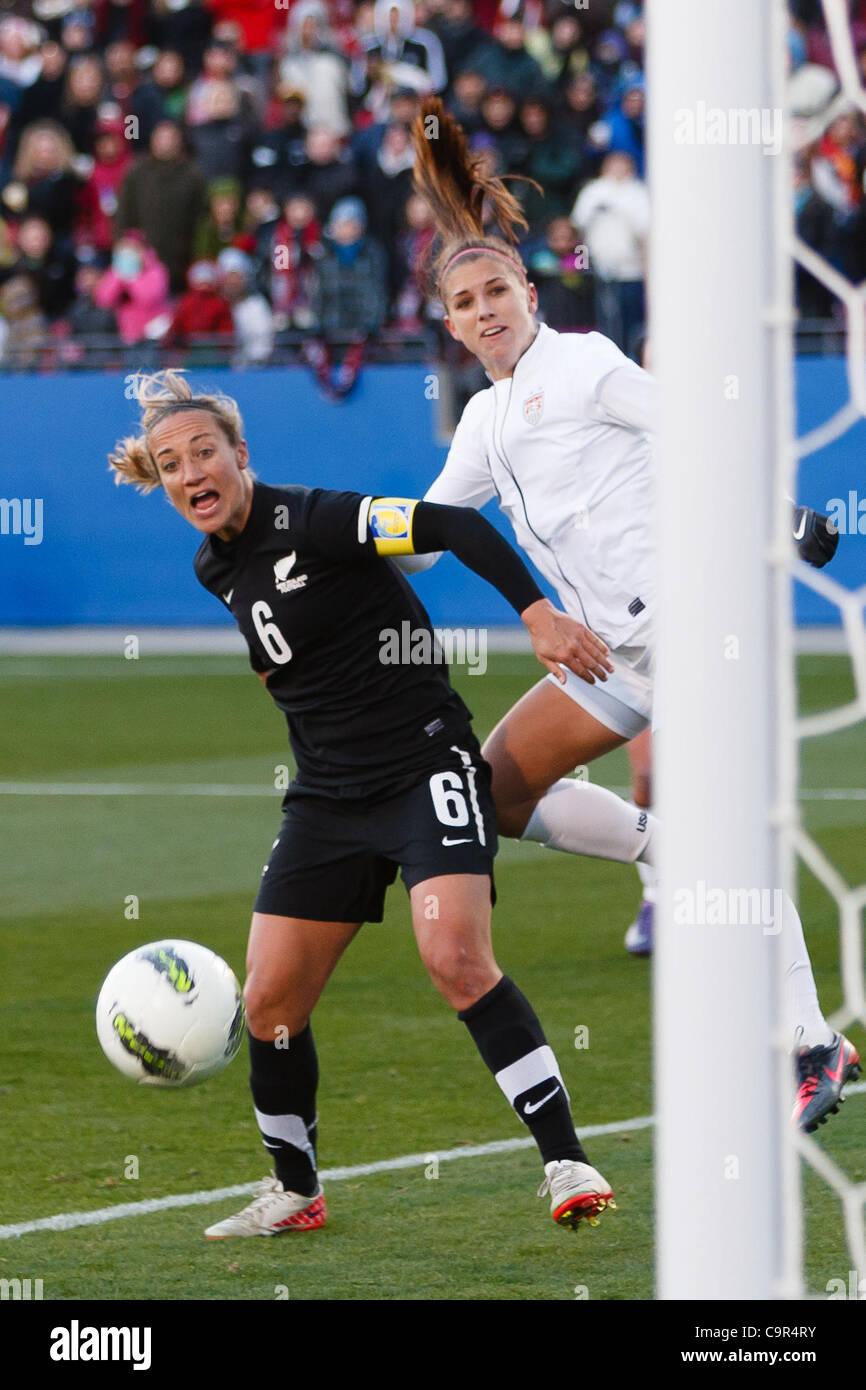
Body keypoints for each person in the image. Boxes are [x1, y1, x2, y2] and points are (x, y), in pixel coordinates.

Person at [401, 98, 860, 1134]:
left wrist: (780, 518)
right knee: (492, 794)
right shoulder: (482, 417)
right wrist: (351, 534)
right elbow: (433, 524)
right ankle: (668, 852)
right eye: (463, 300)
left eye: (495, 291)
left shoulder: (585, 362)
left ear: (528, 291)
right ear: (448, 321)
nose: (483, 310)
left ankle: (809, 1037)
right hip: (606, 655)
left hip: (695, 632)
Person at [107, 369, 619, 1237]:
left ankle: (567, 1161)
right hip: (326, 799)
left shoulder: (318, 518)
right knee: (268, 1007)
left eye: (205, 451)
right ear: (159, 482)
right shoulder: (211, 566)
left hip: (424, 765)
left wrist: (536, 612)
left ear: (240, 455)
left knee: (455, 958)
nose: (192, 471)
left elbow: (453, 524)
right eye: (171, 463)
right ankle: (296, 1190)